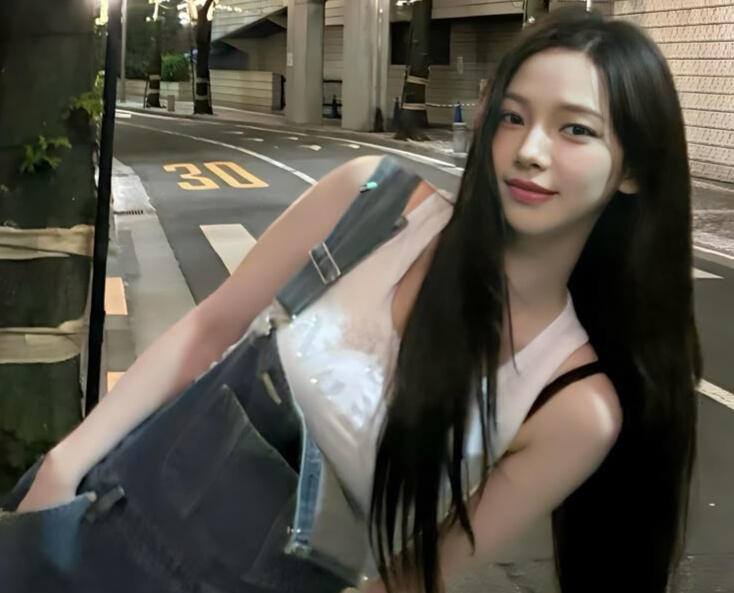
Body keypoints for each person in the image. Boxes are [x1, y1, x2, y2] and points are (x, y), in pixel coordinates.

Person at [5, 6, 701, 593]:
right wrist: (64, 465)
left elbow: (409, 580)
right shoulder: (372, 199)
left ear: (634, 168)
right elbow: (208, 327)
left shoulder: (575, 406)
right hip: (95, 519)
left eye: (576, 129)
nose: (530, 151)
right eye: (513, 117)